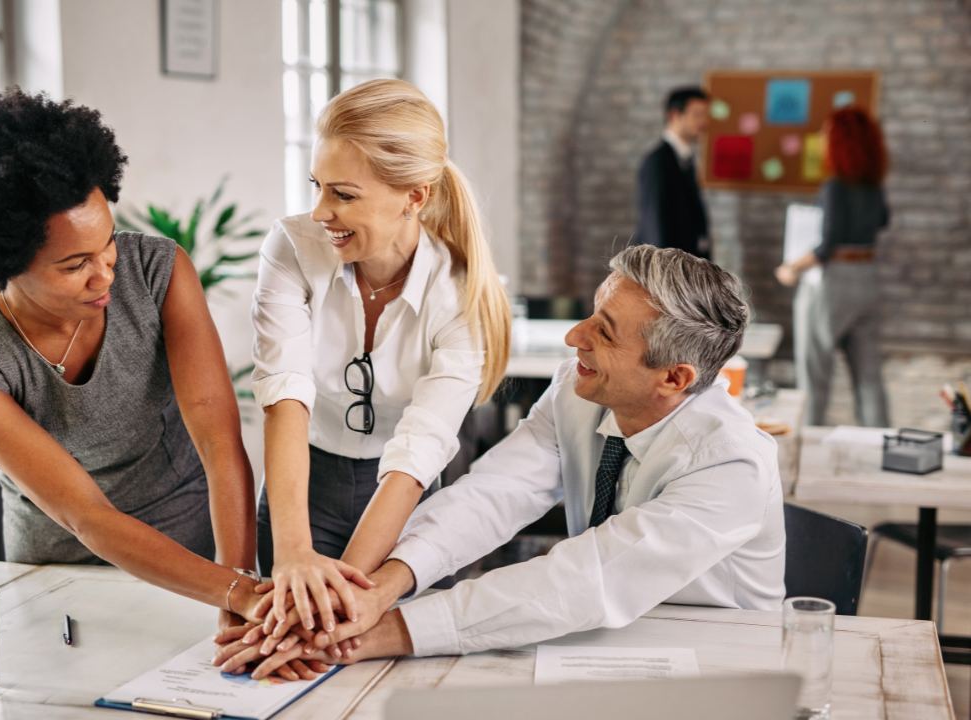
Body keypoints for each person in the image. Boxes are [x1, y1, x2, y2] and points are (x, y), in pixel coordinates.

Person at [214, 244, 785, 677]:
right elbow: (492, 494)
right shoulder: (578, 390)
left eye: (603, 333)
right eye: (591, 313)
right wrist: (381, 588)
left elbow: (589, 577)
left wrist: (382, 632)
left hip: (717, 664)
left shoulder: (730, 464)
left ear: (674, 378)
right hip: (596, 645)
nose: (572, 336)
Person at [0, 90, 322, 679]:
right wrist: (241, 594)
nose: (105, 271)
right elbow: (86, 515)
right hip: (58, 572)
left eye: (107, 243)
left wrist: (233, 585)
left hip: (193, 554)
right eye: (74, 264)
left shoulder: (159, 272)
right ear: (5, 259)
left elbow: (218, 439)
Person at [249, 78, 511, 629]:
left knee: (377, 654)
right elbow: (284, 394)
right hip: (304, 487)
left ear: (415, 196)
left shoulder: (461, 295)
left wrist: (344, 599)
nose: (320, 211)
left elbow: (418, 454)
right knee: (294, 644)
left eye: (343, 194)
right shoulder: (293, 248)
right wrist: (294, 551)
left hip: (404, 500)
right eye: (317, 186)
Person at [775, 107, 890, 427]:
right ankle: (879, 443)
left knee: (814, 375)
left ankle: (808, 450)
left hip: (832, 284)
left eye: (827, 134)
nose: (822, 139)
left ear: (840, 141)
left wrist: (790, 268)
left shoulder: (835, 186)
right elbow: (882, 221)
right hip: (867, 279)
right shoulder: (874, 185)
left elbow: (827, 246)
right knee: (869, 377)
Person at [635, 87, 711, 259]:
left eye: (706, 115)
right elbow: (655, 225)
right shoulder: (658, 162)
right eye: (697, 115)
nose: (704, 121)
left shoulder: (685, 159)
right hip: (667, 274)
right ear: (674, 115)